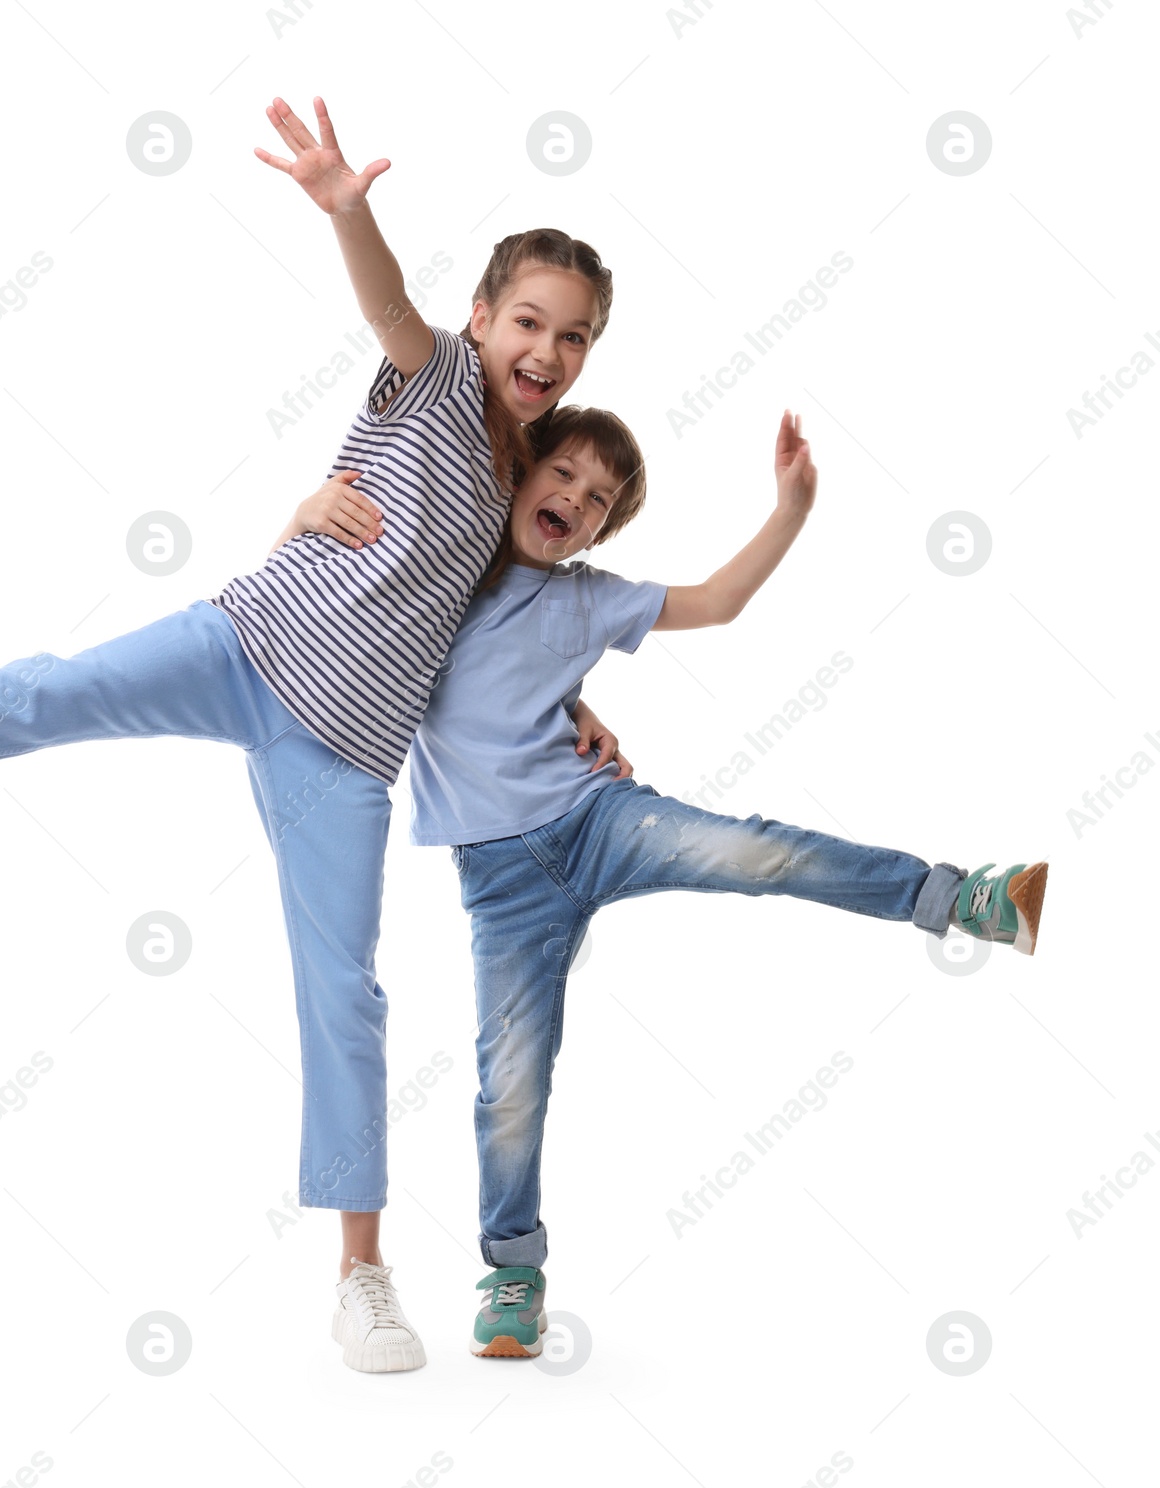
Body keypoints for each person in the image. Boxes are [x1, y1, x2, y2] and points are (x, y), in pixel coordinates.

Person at [0, 96, 618, 1374]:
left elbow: (495, 631)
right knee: (38, 693)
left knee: (344, 996)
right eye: (529, 322)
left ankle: (362, 1274)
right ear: (483, 318)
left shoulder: (526, 487)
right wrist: (351, 212)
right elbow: (388, 305)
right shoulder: (433, 375)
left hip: (344, 753)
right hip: (244, 644)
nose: (547, 349)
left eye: (575, 337)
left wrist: (573, 700)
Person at [289, 404, 1048, 1359]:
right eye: (562, 474)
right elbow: (359, 625)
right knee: (510, 1083)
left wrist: (790, 511)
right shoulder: (447, 575)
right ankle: (513, 1277)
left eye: (599, 499)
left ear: (605, 528)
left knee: (758, 851)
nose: (576, 498)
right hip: (501, 880)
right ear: (516, 475)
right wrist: (312, 512)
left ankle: (964, 898)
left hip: (600, 819)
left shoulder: (590, 599)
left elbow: (717, 601)